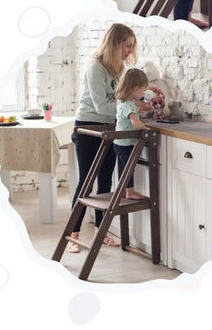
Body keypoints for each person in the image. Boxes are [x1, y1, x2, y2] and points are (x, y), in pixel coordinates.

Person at [67, 23, 139, 253]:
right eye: (127, 46)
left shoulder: (119, 69)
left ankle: (101, 229)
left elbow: (121, 99)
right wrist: (128, 108)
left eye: (131, 46)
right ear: (116, 43)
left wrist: (141, 98)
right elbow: (101, 106)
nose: (129, 51)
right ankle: (73, 234)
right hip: (88, 127)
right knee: (86, 181)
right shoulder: (96, 68)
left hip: (110, 128)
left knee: (106, 181)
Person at [112, 68, 152, 200]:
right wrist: (145, 128)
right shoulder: (130, 106)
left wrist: (139, 107)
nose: (143, 93)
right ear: (135, 89)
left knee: (124, 167)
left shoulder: (123, 102)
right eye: (142, 90)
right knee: (129, 169)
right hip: (126, 143)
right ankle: (130, 191)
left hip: (118, 143)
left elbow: (133, 106)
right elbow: (135, 123)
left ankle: (122, 189)